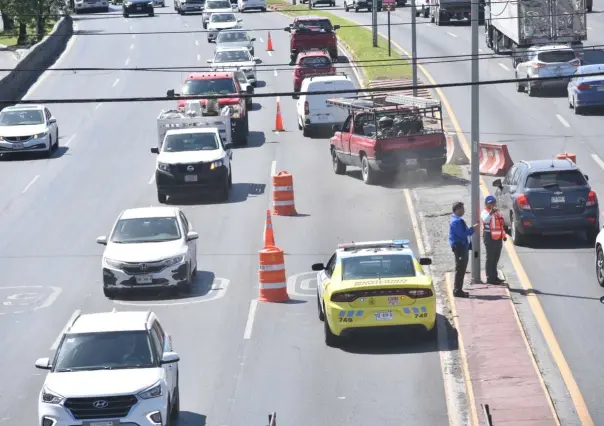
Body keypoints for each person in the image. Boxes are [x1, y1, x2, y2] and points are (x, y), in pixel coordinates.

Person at [449, 202, 479, 298]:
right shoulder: (456, 221)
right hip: (459, 247)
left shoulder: (458, 220)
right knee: (460, 269)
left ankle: (459, 289)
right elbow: (462, 234)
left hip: (462, 246)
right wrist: (472, 229)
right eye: (462, 209)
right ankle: (457, 291)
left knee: (462, 269)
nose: (463, 211)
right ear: (457, 209)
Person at [481, 195, 507, 284]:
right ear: (486, 204)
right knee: (490, 257)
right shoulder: (485, 212)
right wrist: (491, 212)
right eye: (490, 203)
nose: (492, 204)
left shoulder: (497, 212)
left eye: (493, 202)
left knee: (496, 258)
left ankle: (495, 276)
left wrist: (503, 236)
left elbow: (501, 224)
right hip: (489, 237)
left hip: (498, 237)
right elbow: (485, 220)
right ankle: (490, 278)